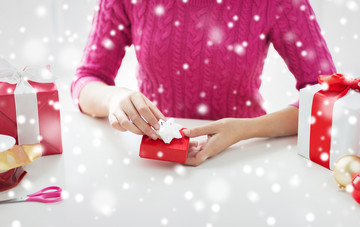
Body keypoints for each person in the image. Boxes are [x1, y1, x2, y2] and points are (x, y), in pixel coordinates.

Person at [71, 0, 336, 166]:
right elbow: (86, 80)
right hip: (158, 163)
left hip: (244, 157)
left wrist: (244, 129)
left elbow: (329, 97)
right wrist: (114, 98)